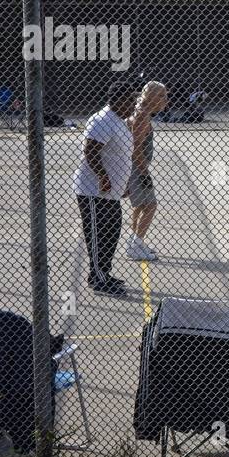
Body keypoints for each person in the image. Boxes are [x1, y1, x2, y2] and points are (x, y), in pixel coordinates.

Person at [72, 79, 138, 295]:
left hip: (111, 192)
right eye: (130, 100)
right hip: (93, 191)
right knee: (97, 234)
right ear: (118, 100)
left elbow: (122, 155)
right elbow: (90, 151)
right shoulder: (102, 120)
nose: (134, 104)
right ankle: (97, 278)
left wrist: (124, 182)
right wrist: (102, 175)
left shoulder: (120, 120)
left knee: (112, 232)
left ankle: (104, 273)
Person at [125, 81, 169, 261]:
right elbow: (135, 148)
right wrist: (144, 173)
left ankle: (135, 242)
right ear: (149, 97)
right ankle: (136, 244)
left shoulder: (140, 111)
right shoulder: (143, 116)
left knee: (139, 205)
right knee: (151, 206)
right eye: (161, 96)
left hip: (135, 166)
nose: (165, 100)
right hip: (137, 167)